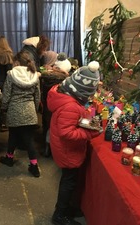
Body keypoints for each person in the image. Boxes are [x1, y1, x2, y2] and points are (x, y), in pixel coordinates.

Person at [47, 61, 102, 225]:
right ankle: (60, 214)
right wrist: (89, 132)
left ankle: (67, 207)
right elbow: (67, 132)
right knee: (68, 183)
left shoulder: (68, 98)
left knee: (70, 182)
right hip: (68, 151)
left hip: (66, 149)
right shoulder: (70, 106)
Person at [0, 51, 41, 177]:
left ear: (16, 62)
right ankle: (33, 165)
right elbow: (37, 96)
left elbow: (6, 94)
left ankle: (10, 158)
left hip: (14, 110)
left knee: (13, 135)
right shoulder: (34, 75)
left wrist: (4, 108)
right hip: (29, 111)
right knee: (29, 140)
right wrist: (35, 109)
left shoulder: (11, 75)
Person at [40, 51, 71, 157]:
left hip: (47, 106)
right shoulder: (65, 81)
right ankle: (54, 150)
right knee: (56, 128)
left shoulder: (45, 77)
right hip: (59, 108)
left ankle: (45, 148)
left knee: (46, 126)